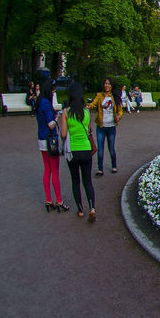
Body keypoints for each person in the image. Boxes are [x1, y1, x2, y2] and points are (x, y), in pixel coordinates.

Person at [59, 82, 96, 222]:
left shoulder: (66, 112)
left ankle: (80, 209)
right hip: (86, 149)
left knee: (76, 181)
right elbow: (88, 131)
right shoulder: (86, 112)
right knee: (88, 181)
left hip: (73, 151)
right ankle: (92, 207)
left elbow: (63, 134)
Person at [36, 78, 68, 212]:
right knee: (54, 170)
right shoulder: (46, 103)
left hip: (42, 139)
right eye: (54, 90)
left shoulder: (39, 102)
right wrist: (58, 117)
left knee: (47, 169)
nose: (54, 92)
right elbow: (51, 124)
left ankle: (48, 200)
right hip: (50, 139)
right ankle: (59, 201)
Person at [87, 76, 122, 175]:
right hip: (101, 126)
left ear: (111, 86)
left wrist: (118, 117)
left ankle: (114, 166)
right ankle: (100, 169)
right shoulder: (99, 96)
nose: (107, 85)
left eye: (108, 84)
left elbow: (120, 111)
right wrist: (88, 106)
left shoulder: (114, 97)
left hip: (111, 126)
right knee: (100, 148)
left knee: (111, 148)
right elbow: (93, 104)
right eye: (105, 83)